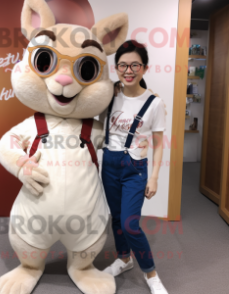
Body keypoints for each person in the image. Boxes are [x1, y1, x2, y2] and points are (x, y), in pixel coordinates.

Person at [99, 40, 168, 294]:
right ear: (116, 68)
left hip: (135, 167)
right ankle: (124, 259)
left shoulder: (154, 103)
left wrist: (155, 178)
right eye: (123, 65)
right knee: (116, 218)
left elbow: (159, 144)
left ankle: (151, 274)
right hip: (109, 164)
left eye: (134, 65)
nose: (128, 70)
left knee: (130, 223)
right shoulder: (109, 94)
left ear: (144, 68)